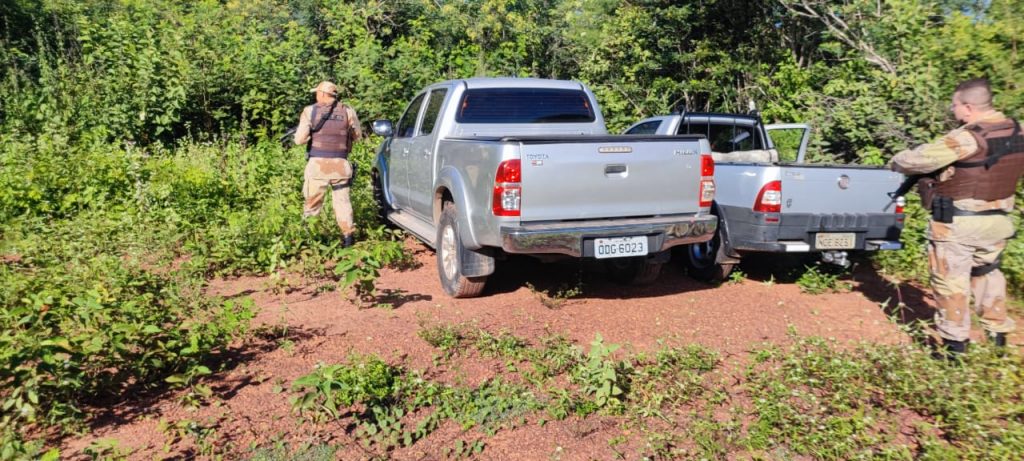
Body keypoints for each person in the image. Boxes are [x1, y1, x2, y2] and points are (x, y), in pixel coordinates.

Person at [890, 78, 1024, 357]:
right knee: (988, 274)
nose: (953, 112)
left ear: (968, 107)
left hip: (959, 223)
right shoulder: (1017, 130)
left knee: (951, 282)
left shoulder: (966, 137)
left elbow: (913, 161)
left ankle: (955, 350)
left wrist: (896, 159)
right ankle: (997, 339)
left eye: (954, 106)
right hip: (998, 221)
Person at [294, 81, 363, 247]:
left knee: (312, 204)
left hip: (317, 166)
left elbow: (299, 140)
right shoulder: (348, 110)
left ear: (323, 94)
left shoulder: (310, 111)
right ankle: (347, 239)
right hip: (341, 165)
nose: (315, 96)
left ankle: (308, 242)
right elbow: (357, 136)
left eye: (317, 93)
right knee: (342, 203)